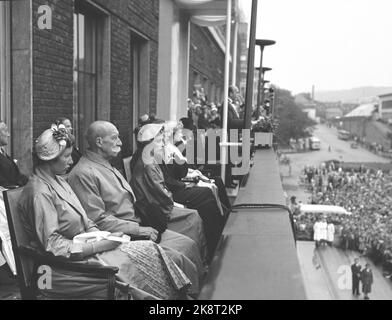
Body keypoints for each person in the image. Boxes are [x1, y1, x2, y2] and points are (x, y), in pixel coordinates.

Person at [18, 124, 192, 300]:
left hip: (86, 250)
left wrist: (101, 235)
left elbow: (86, 219)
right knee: (142, 261)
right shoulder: (39, 193)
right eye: (67, 156)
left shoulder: (58, 180)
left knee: (150, 251)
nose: (71, 161)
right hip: (66, 266)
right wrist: (98, 245)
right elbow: (53, 245)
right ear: (50, 159)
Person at [68, 121, 204, 296]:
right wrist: (140, 229)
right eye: (115, 138)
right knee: (179, 257)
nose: (121, 142)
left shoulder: (106, 164)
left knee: (188, 244)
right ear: (99, 142)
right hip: (123, 236)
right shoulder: (83, 173)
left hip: (139, 226)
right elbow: (97, 220)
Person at [129, 123, 209, 261]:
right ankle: (198, 258)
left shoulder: (149, 158)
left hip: (155, 203)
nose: (162, 143)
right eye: (159, 140)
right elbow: (160, 192)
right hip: (156, 208)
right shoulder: (149, 163)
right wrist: (175, 204)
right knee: (193, 216)